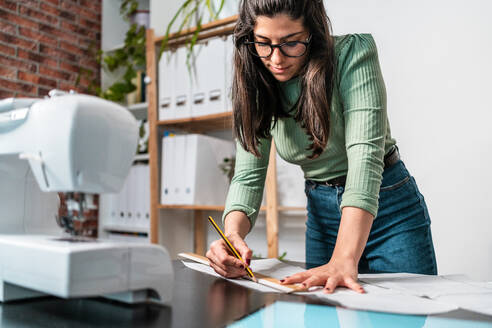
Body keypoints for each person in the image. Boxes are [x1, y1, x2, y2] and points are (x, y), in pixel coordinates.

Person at [206, 0, 437, 294]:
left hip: (387, 208)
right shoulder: (256, 78)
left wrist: (344, 257)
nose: (276, 58)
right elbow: (247, 177)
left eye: (290, 43)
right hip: (322, 214)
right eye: (263, 43)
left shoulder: (353, 54)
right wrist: (231, 237)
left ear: (313, 33)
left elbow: (365, 160)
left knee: (406, 313)